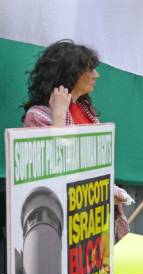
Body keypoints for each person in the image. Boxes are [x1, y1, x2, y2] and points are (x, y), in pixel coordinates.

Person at [22, 39, 131, 241]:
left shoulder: (86, 111)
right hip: (63, 222)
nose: (96, 75)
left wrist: (110, 191)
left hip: (92, 219)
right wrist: (58, 116)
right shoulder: (38, 116)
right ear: (71, 73)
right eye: (89, 69)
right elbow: (54, 166)